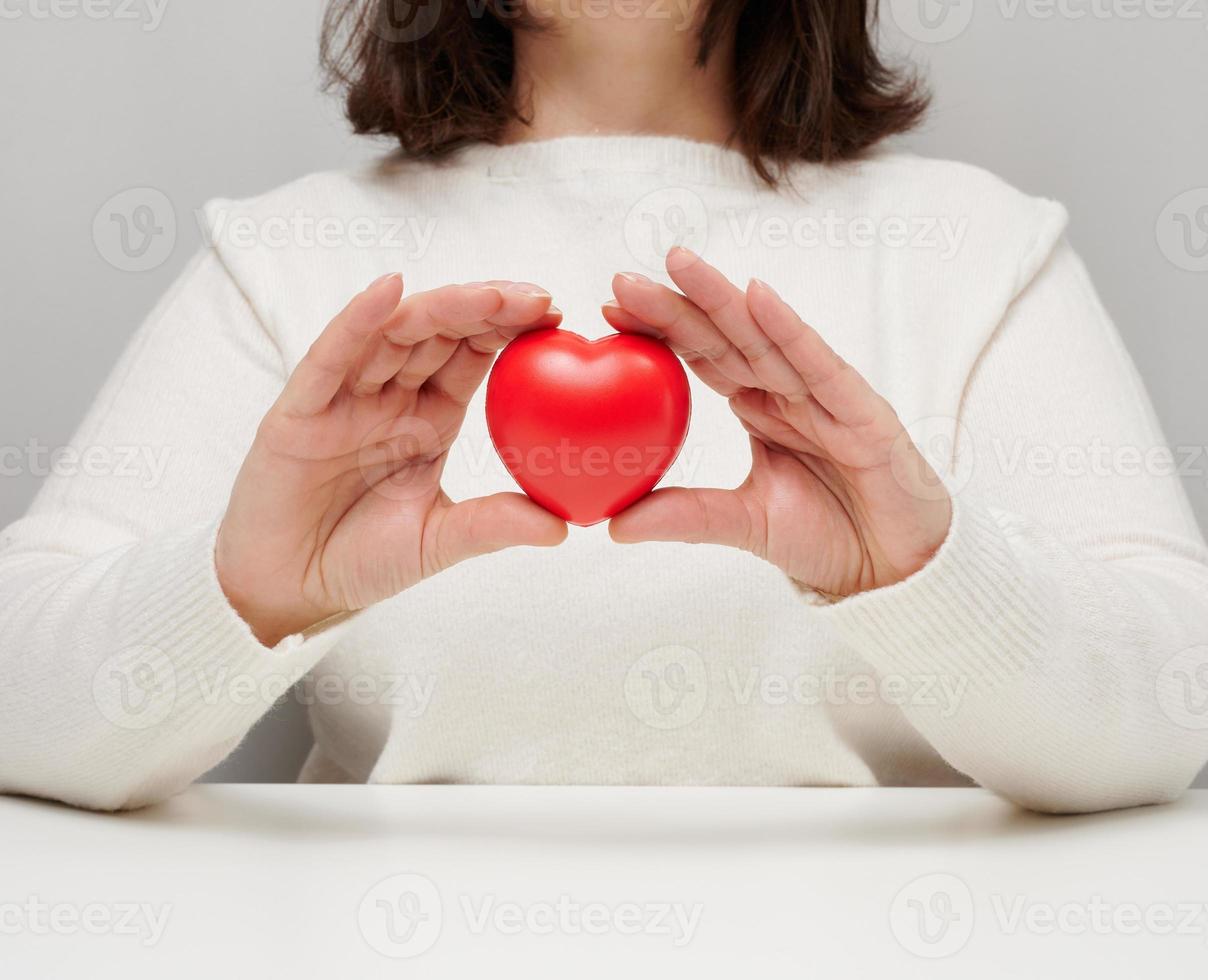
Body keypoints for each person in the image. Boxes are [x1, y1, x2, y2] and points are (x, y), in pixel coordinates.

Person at [2, 0, 1205, 813]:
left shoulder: (976, 249)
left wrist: (925, 572)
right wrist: (242, 590)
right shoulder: (288, 259)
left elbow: (1174, 706)